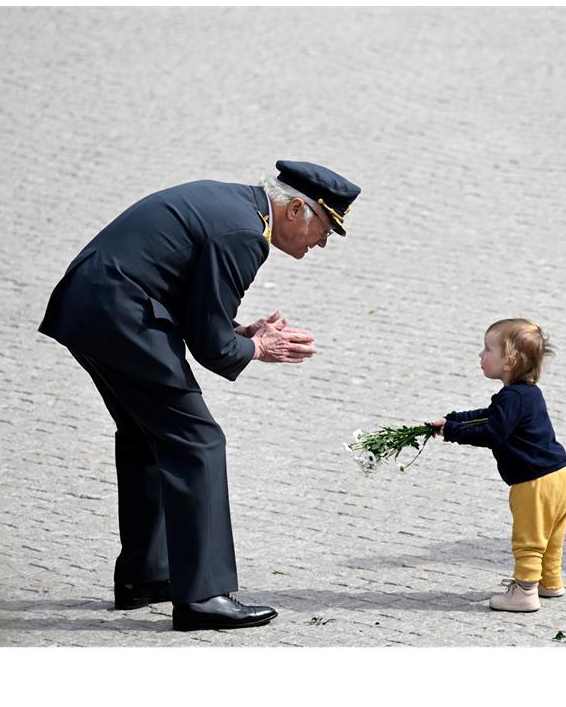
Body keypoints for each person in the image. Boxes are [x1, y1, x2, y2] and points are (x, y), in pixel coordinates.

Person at [39, 159, 362, 630]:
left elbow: (197, 311)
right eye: (324, 229)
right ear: (295, 209)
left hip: (93, 306)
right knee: (198, 442)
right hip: (123, 317)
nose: (322, 243)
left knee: (147, 436)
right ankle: (203, 596)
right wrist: (256, 346)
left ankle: (146, 577)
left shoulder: (235, 208)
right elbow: (211, 346)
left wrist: (243, 332)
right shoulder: (245, 235)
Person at [432, 319, 566, 612]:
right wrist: (454, 419)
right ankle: (550, 582)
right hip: (561, 475)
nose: (480, 355)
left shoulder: (512, 397)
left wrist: (452, 433)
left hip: (534, 483)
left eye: (487, 349)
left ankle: (524, 592)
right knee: (551, 536)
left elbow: (492, 432)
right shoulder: (527, 392)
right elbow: (491, 415)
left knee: (529, 539)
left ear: (508, 361)